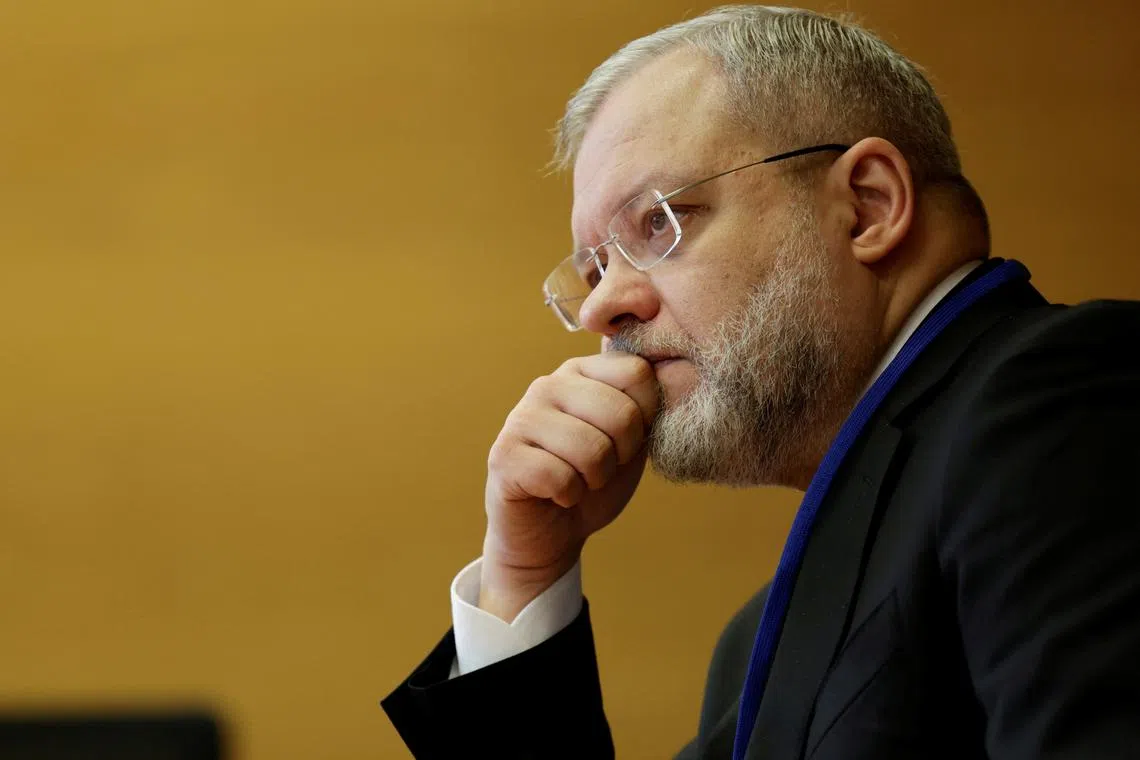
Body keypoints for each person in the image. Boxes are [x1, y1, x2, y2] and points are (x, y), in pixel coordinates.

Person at [381, 5, 1140, 759]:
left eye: (660, 223)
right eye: (597, 268)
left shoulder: (1063, 400)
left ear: (867, 207)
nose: (602, 307)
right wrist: (523, 577)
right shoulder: (755, 646)